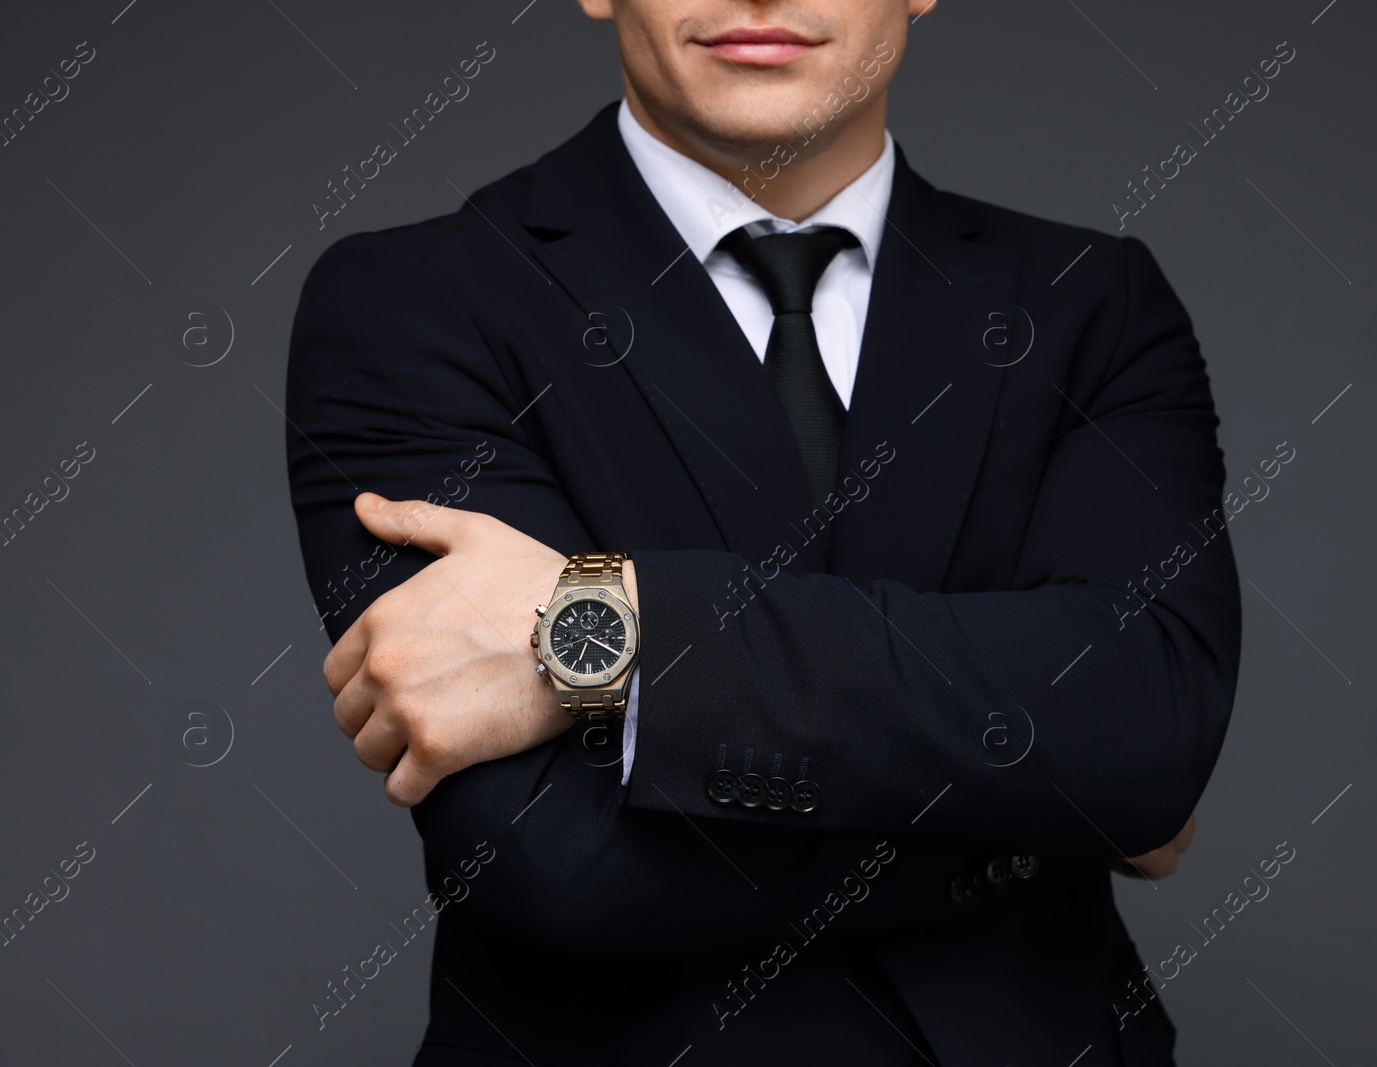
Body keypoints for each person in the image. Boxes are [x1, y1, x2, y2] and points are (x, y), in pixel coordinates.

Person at [285, 1, 1240, 1063]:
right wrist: (1044, 812)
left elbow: (1146, 726)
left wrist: (626, 627)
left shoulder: (1091, 300)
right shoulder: (412, 299)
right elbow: (549, 858)